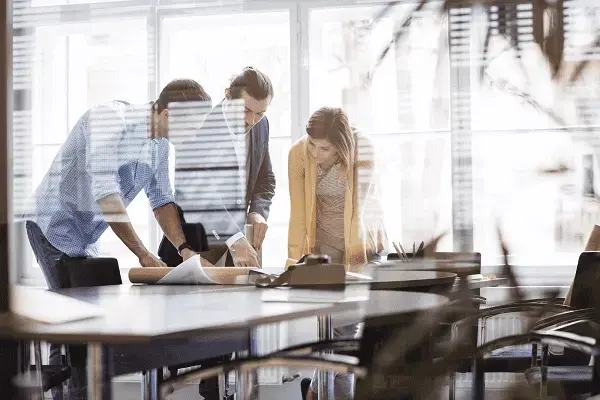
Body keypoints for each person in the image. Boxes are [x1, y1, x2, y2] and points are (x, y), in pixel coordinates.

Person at [24, 79, 213, 400]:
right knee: (75, 324)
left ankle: (69, 385)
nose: (193, 136)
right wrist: (142, 253)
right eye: (192, 127)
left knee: (74, 317)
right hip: (52, 225)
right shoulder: (108, 120)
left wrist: (184, 250)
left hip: (85, 237)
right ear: (168, 115)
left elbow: (162, 201)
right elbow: (106, 194)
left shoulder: (161, 147)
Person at [287, 106, 387, 400]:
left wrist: (356, 262)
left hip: (363, 242)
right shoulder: (298, 154)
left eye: (325, 148)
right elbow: (298, 213)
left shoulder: (363, 148)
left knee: (345, 330)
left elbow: (362, 207)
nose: (316, 153)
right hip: (326, 244)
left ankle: (317, 392)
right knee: (335, 330)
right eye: (313, 146)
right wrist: (294, 261)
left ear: (342, 145)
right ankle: (319, 392)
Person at [175, 66, 276, 267]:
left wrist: (257, 211)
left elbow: (265, 179)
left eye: (260, 113)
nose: (252, 120)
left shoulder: (262, 125)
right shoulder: (196, 126)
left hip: (239, 254)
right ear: (228, 95)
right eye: (245, 110)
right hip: (194, 251)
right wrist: (234, 237)